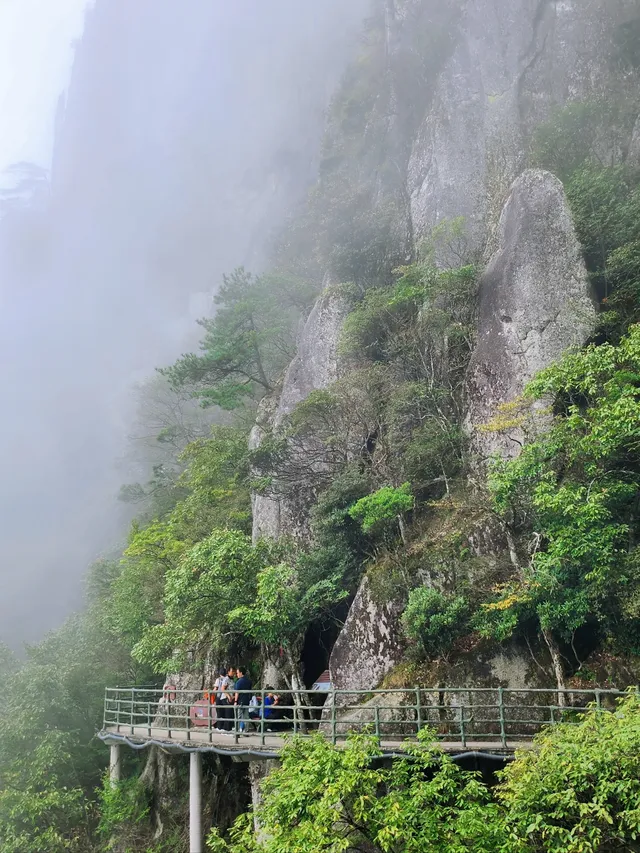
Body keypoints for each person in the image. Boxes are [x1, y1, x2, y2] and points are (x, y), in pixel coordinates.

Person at [234, 666, 253, 733]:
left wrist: (235, 701)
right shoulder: (249, 681)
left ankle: (238, 731)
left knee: (238, 717)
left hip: (240, 701)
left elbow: (237, 692)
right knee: (246, 717)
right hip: (247, 701)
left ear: (241, 673)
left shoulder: (239, 682)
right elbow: (250, 691)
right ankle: (246, 731)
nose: (237, 674)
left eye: (237, 673)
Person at [213, 668, 232, 733]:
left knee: (219, 713)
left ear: (220, 673)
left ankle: (219, 727)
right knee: (224, 713)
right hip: (225, 697)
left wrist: (211, 692)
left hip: (219, 697)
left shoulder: (218, 680)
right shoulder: (227, 679)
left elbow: (215, 688)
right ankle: (224, 726)